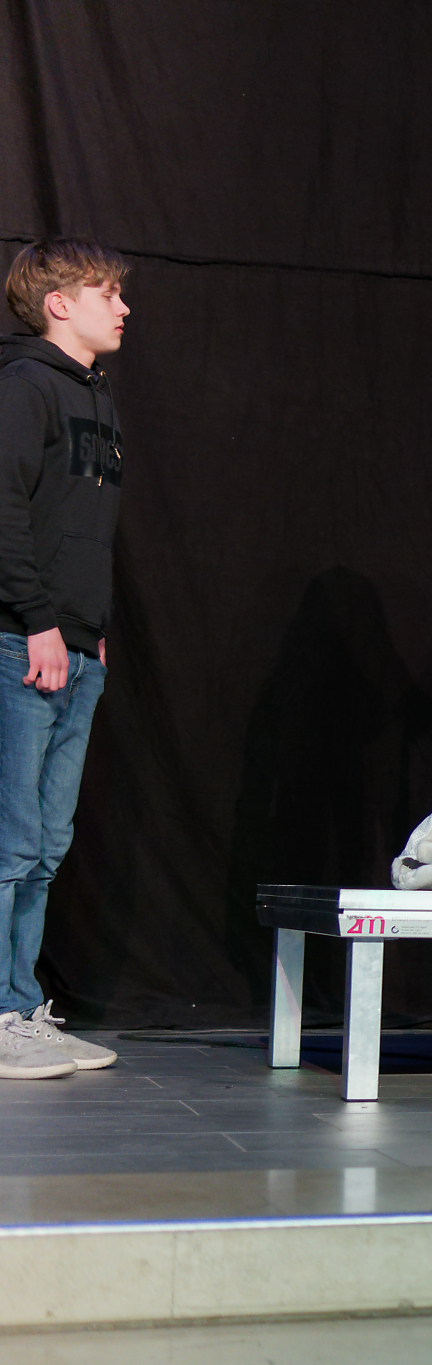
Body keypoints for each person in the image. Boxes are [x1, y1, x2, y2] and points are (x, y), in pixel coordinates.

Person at [0, 239, 132, 1081]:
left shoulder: (97, 395)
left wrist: (88, 628)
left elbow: (81, 530)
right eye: (106, 292)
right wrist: (39, 620)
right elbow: (4, 510)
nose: (122, 307)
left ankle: (19, 1004)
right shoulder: (25, 385)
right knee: (11, 840)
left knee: (48, 843)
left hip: (78, 646)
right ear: (58, 303)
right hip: (24, 642)